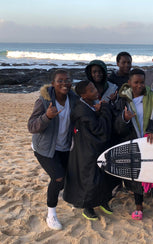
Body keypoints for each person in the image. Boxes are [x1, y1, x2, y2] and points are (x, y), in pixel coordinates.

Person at [112, 68, 153, 228]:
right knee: (136, 177)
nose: (139, 85)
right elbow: (117, 127)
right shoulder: (122, 99)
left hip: (152, 144)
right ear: (129, 83)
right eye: (136, 82)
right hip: (133, 144)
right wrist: (123, 119)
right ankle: (139, 207)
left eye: (142, 82)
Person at [27, 69, 78, 230]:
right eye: (60, 81)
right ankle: (51, 214)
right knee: (58, 179)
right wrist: (47, 117)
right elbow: (31, 126)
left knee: (65, 179)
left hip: (65, 147)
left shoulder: (74, 99)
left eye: (67, 80)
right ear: (53, 84)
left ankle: (67, 197)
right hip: (44, 148)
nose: (64, 84)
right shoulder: (43, 101)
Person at [63, 80, 112, 221]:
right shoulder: (81, 109)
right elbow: (99, 130)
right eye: (91, 90)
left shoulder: (86, 106)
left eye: (94, 88)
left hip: (91, 147)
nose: (96, 91)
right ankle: (88, 207)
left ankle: (101, 201)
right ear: (84, 96)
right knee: (89, 177)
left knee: (101, 175)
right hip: (86, 150)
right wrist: (104, 109)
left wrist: (97, 111)